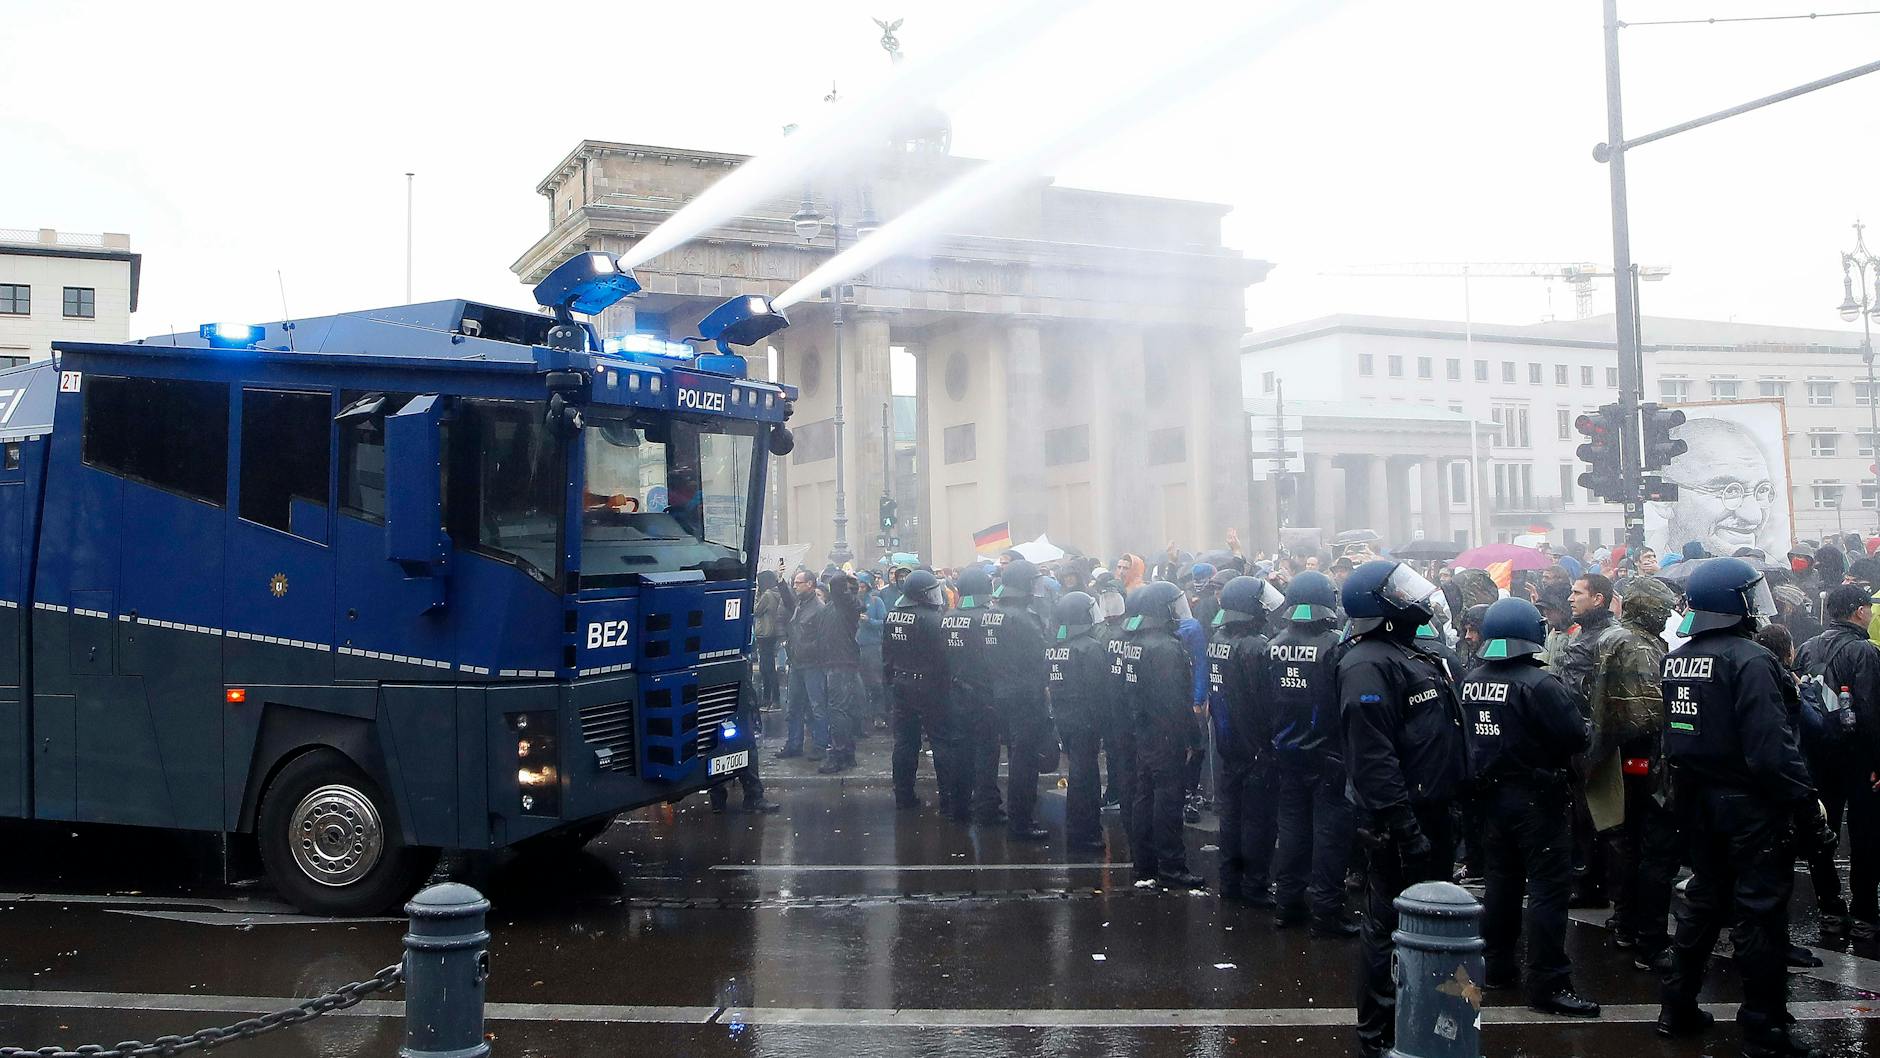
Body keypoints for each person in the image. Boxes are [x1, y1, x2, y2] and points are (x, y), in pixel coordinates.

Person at [1656, 558, 1836, 1057]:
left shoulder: (1680, 657)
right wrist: (1804, 805)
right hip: (1750, 806)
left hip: (1699, 801)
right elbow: (1771, 751)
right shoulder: (1751, 660)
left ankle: (1677, 1006)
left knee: (1703, 904)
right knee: (1760, 916)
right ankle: (1764, 1027)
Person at [1339, 560, 1469, 1058]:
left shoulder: (1406, 653)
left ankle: (1428, 1018)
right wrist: (1402, 825)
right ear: (1381, 605)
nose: (1413, 598)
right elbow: (1372, 758)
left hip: (1430, 811)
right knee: (1388, 924)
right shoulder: (1366, 663)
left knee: (1431, 920)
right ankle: (1379, 1032)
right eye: (1400, 591)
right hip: (1400, 820)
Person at [1464, 599, 1600, 1017]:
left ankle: (1499, 967)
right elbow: (1575, 738)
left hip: (1492, 798)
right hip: (1537, 800)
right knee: (1547, 891)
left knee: (1502, 887)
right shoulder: (1540, 684)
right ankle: (1548, 982)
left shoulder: (1471, 681)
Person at [1582, 575, 1680, 971]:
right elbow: (1649, 711)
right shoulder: (1638, 644)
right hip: (1645, 756)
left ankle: (1625, 922)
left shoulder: (1612, 637)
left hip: (1616, 753)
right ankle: (1650, 940)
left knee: (1624, 843)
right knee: (1653, 849)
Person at [1267, 571, 1356, 935]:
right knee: (1329, 838)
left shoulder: (1274, 643)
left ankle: (1287, 905)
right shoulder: (1336, 645)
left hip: (1287, 752)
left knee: (1291, 833)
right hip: (1328, 756)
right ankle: (1327, 913)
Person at [1795, 583, 1880, 938]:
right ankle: (1863, 914)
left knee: (1820, 831)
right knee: (1864, 835)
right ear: (1860, 611)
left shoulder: (1806, 647)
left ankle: (1830, 907)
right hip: (1857, 757)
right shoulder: (1864, 651)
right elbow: (1871, 709)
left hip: (1816, 756)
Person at [1125, 581, 1206, 888]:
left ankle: (1143, 863)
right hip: (1166, 733)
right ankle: (1172, 866)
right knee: (1167, 800)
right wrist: (1190, 738)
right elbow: (1176, 700)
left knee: (1144, 796)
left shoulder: (1136, 641)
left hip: (1145, 730)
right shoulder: (1167, 647)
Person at [1211, 575, 1283, 905]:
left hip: (1229, 743)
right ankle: (1255, 885)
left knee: (1231, 817)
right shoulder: (1256, 646)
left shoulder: (1218, 638)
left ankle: (1229, 882)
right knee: (1258, 820)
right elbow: (1267, 701)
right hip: (1256, 746)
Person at [983, 559, 1054, 841]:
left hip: (996, 694)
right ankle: (1021, 821)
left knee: (1008, 755)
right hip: (1025, 697)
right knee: (1024, 762)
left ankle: (1006, 813)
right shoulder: (1026, 618)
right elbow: (1041, 659)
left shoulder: (992, 613)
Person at [884, 569, 960, 812]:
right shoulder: (933, 620)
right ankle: (949, 801)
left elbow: (887, 654)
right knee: (941, 742)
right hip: (931, 687)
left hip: (901, 684)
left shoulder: (892, 616)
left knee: (905, 742)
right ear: (923, 594)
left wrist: (890, 680)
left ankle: (903, 797)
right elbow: (944, 658)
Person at [1049, 590, 1110, 851]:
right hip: (1086, 720)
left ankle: (1078, 830)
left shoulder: (1055, 647)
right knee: (1086, 778)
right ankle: (1085, 833)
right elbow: (1099, 691)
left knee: (1079, 773)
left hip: (1065, 719)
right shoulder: (1090, 647)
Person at [945, 566, 998, 825]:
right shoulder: (985, 618)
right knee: (987, 752)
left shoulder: (948, 617)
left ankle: (959, 806)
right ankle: (987, 806)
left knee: (960, 751)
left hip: (955, 694)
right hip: (983, 694)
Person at [814, 572, 866, 774]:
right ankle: (847, 753)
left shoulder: (847, 605)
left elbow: (835, 583)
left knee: (837, 710)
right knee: (843, 709)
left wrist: (844, 573)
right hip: (835, 660)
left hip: (841, 661)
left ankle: (838, 754)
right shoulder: (834, 607)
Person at [776, 570, 829, 760]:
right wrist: (781, 582)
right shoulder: (800, 604)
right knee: (794, 707)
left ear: (810, 584)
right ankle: (794, 744)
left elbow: (824, 639)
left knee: (817, 706)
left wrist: (808, 649)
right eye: (795, 582)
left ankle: (821, 745)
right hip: (797, 663)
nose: (795, 586)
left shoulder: (819, 608)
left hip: (812, 664)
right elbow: (788, 600)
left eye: (799, 583)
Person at [856, 571, 890, 731]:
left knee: (875, 682)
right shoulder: (853, 601)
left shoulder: (876, 601)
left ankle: (879, 714)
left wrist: (869, 621)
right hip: (856, 647)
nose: (860, 589)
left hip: (873, 647)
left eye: (863, 586)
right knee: (859, 684)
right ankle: (863, 715)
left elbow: (884, 622)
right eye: (858, 586)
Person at [753, 570, 786, 712]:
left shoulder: (766, 595)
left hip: (764, 633)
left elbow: (756, 610)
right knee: (767, 667)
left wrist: (756, 596)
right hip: (772, 633)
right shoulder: (777, 593)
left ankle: (772, 700)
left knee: (767, 668)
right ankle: (769, 699)